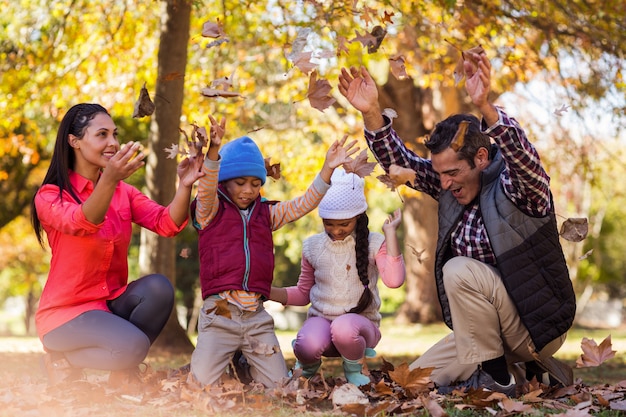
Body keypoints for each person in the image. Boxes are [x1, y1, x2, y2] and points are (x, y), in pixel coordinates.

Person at [337, 51, 576, 396]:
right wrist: (372, 112)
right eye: (439, 173)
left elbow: (526, 160)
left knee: (458, 269)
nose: (444, 183)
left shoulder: (521, 190)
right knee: (415, 379)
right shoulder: (451, 186)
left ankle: (498, 377)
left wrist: (487, 107)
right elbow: (400, 161)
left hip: (536, 324)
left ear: (481, 157)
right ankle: (531, 372)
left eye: (452, 172)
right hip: (485, 330)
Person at [30, 103, 204, 387]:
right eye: (102, 135)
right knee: (134, 347)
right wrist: (109, 178)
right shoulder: (51, 196)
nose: (113, 143)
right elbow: (83, 220)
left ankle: (121, 374)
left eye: (115, 134)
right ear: (74, 141)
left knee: (158, 288)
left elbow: (167, 223)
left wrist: (184, 185)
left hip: (109, 304)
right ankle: (60, 359)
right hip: (65, 315)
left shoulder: (124, 192)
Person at [189, 116, 359, 388]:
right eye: (240, 183)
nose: (248, 190)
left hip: (256, 316)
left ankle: (244, 363)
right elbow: (207, 187)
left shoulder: (265, 214)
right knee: (200, 386)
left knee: (280, 387)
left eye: (255, 184)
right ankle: (223, 358)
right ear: (225, 181)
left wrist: (327, 169)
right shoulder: (210, 211)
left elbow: (302, 205)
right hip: (220, 314)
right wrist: (214, 151)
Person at [269, 168, 405, 386]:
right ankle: (307, 368)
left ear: (359, 218)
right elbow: (303, 294)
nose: (336, 230)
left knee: (344, 326)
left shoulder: (373, 243)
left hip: (360, 332)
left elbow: (394, 280)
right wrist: (268, 292)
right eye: (329, 223)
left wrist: (390, 234)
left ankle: (354, 370)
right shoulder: (313, 247)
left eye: (344, 224)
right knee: (306, 342)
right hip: (323, 324)